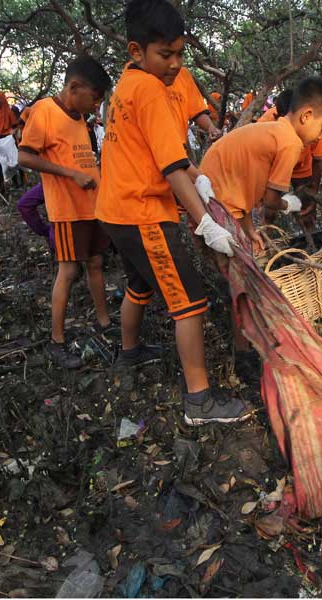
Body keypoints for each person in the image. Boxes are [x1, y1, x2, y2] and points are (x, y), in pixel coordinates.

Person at [96, 0, 251, 426]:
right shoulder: (149, 90)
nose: (175, 64)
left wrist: (199, 176)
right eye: (166, 55)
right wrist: (203, 220)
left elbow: (172, 155)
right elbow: (170, 166)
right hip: (142, 211)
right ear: (136, 50)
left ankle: (130, 353)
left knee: (140, 284)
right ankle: (199, 401)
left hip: (114, 208)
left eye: (181, 54)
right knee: (190, 300)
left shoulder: (127, 86)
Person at [199, 77, 322, 370]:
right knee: (243, 281)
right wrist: (295, 203)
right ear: (307, 116)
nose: (319, 137)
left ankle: (245, 341)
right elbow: (271, 200)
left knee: (238, 277)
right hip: (215, 204)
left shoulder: (272, 130)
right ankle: (245, 354)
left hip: (213, 197)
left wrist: (250, 229)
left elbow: (243, 187)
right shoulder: (290, 143)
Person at [17, 55, 114, 369]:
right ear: (74, 87)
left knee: (96, 262)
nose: (96, 105)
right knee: (69, 270)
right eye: (94, 98)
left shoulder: (78, 118)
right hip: (67, 209)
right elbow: (25, 157)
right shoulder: (45, 111)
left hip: (91, 205)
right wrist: (70, 175)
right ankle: (56, 341)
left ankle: (104, 322)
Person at [168, 66, 223, 143]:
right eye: (165, 55)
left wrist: (211, 128)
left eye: (179, 55)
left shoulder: (183, 74)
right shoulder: (146, 79)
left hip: (179, 146)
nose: (175, 62)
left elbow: (197, 111)